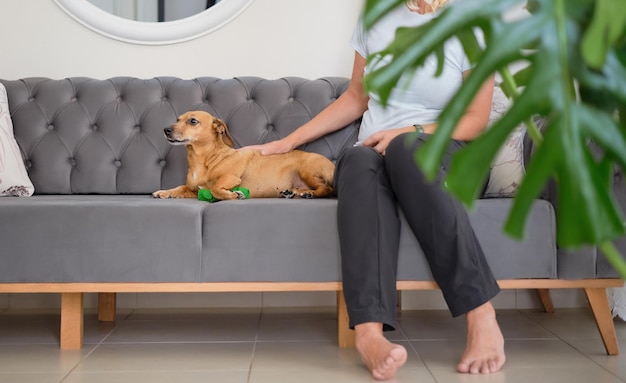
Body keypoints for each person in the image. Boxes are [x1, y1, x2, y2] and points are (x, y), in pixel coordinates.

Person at [244, 0, 506, 379]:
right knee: (355, 160)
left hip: (447, 150)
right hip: (378, 153)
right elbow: (356, 98)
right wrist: (287, 143)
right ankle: (368, 332)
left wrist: (407, 132)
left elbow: (475, 120)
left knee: (404, 149)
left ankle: (481, 314)